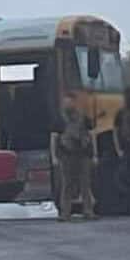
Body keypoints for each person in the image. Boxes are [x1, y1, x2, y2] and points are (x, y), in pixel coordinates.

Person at [51, 92, 98, 221]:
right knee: (67, 185)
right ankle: (65, 213)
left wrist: (94, 154)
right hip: (66, 155)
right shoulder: (59, 119)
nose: (68, 104)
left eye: (70, 101)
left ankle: (88, 211)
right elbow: (54, 138)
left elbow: (92, 135)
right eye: (66, 102)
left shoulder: (84, 118)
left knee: (85, 184)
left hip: (83, 155)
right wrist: (55, 157)